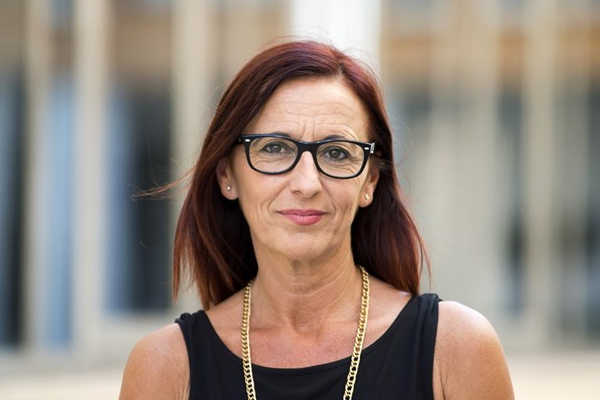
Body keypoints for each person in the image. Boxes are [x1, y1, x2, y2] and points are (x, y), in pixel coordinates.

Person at [119, 40, 514, 400]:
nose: (307, 183)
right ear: (227, 175)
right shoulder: (166, 367)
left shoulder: (455, 348)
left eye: (337, 153)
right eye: (274, 148)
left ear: (369, 182)